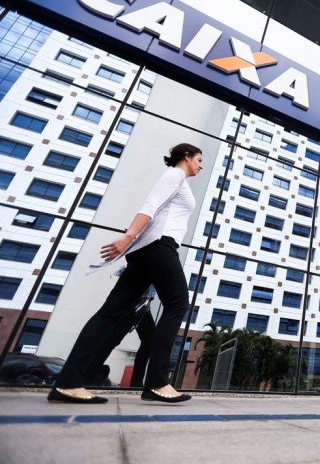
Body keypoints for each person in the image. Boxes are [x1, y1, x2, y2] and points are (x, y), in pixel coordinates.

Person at [47, 143, 203, 404]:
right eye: (198, 159)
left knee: (110, 312)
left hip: (147, 251)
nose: (200, 165)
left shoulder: (179, 180)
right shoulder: (175, 175)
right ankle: (157, 382)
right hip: (159, 246)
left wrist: (131, 242)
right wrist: (127, 237)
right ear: (186, 157)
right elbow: (150, 206)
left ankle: (68, 382)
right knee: (177, 305)